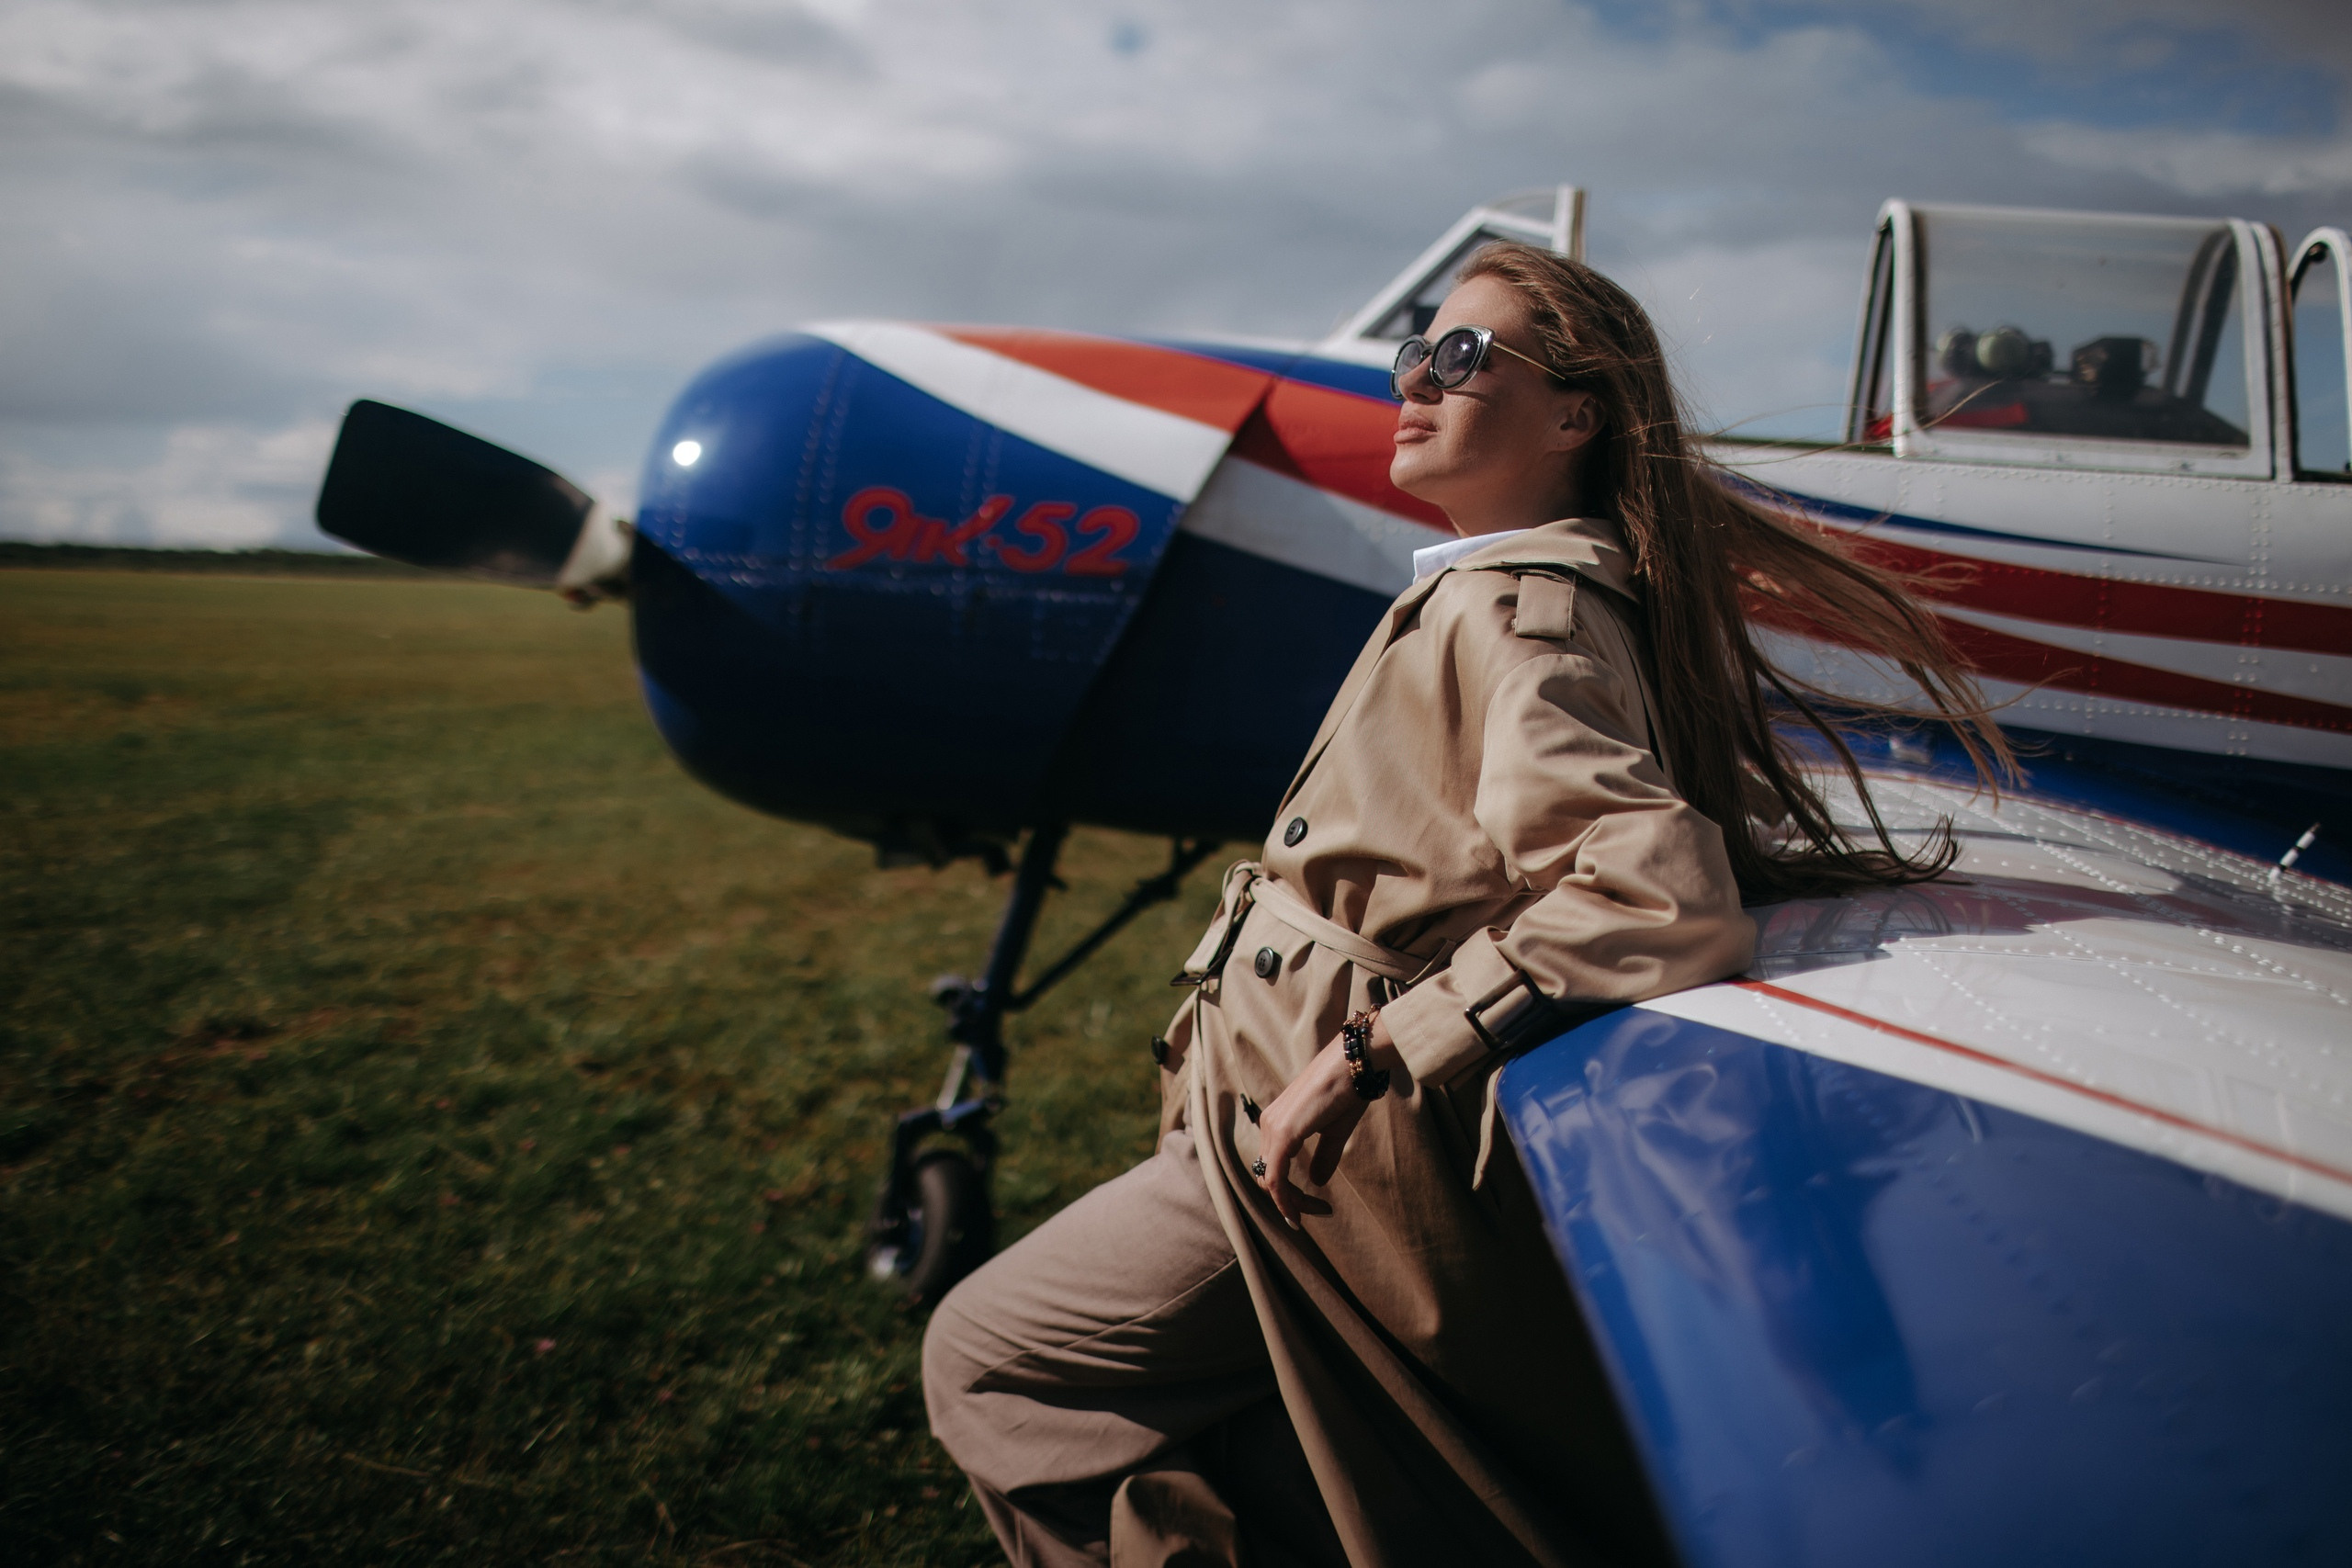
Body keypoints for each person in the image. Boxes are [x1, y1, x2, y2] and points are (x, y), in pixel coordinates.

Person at [922, 243, 2010, 1568]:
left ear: (1576, 416)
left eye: (1459, 357)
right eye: (1410, 356)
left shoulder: (1516, 612)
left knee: (990, 1358)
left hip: (1316, 1134)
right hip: (1272, 1112)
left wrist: (1380, 1050)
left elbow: (1658, 886)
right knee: (1276, 1455)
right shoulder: (1500, 589)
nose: (1412, 383)